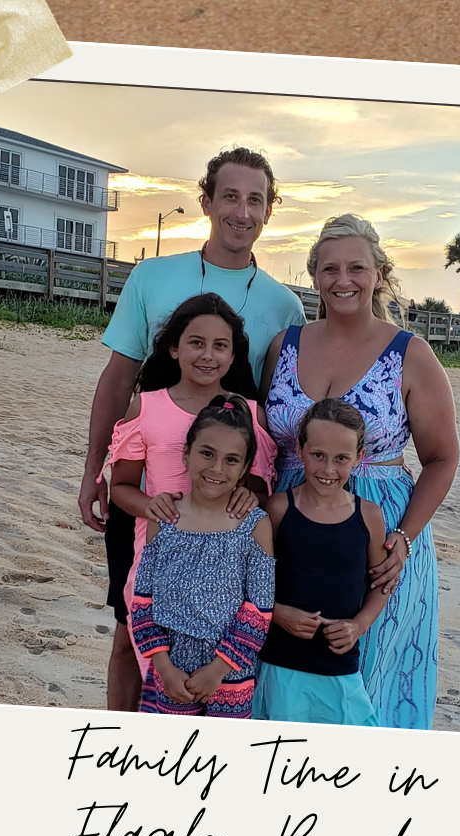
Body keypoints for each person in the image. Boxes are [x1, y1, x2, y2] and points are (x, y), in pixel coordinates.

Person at [80, 147, 307, 712]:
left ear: (269, 210)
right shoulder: (153, 276)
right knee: (132, 634)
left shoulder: (285, 306)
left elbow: (273, 418)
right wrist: (92, 476)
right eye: (229, 196)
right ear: (207, 202)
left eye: (255, 200)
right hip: (149, 493)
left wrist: (259, 498)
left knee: (219, 632)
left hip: (227, 503)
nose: (241, 211)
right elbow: (116, 381)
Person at [260, 214, 459, 730]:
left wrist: (404, 539)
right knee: (280, 673)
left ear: (379, 272)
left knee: (370, 680)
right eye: (329, 269)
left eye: (356, 267)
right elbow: (261, 441)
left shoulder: (411, 354)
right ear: (314, 275)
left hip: (378, 535)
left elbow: (442, 458)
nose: (342, 279)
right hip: (289, 524)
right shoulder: (285, 345)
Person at [105, 294, 275, 652]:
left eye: (220, 346)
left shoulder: (249, 414)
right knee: (155, 660)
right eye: (196, 343)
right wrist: (151, 505)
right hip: (158, 554)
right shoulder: (147, 407)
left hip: (226, 564)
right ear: (173, 348)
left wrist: (251, 497)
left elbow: (260, 491)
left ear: (232, 355)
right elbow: (120, 486)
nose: (208, 355)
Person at [126, 395, 276, 717]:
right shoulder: (164, 520)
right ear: (186, 454)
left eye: (231, 460)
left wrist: (218, 671)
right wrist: (164, 667)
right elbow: (143, 603)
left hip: (230, 675)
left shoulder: (254, 526)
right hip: (170, 672)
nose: (216, 468)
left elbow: (259, 609)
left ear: (245, 468)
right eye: (207, 453)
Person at [253, 399, 390, 725]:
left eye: (341, 458)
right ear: (299, 450)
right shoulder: (278, 509)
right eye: (318, 455)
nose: (328, 469)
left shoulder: (369, 516)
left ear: (358, 458)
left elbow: (382, 584)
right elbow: (254, 580)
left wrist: (359, 625)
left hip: (340, 666)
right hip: (282, 662)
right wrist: (278, 613)